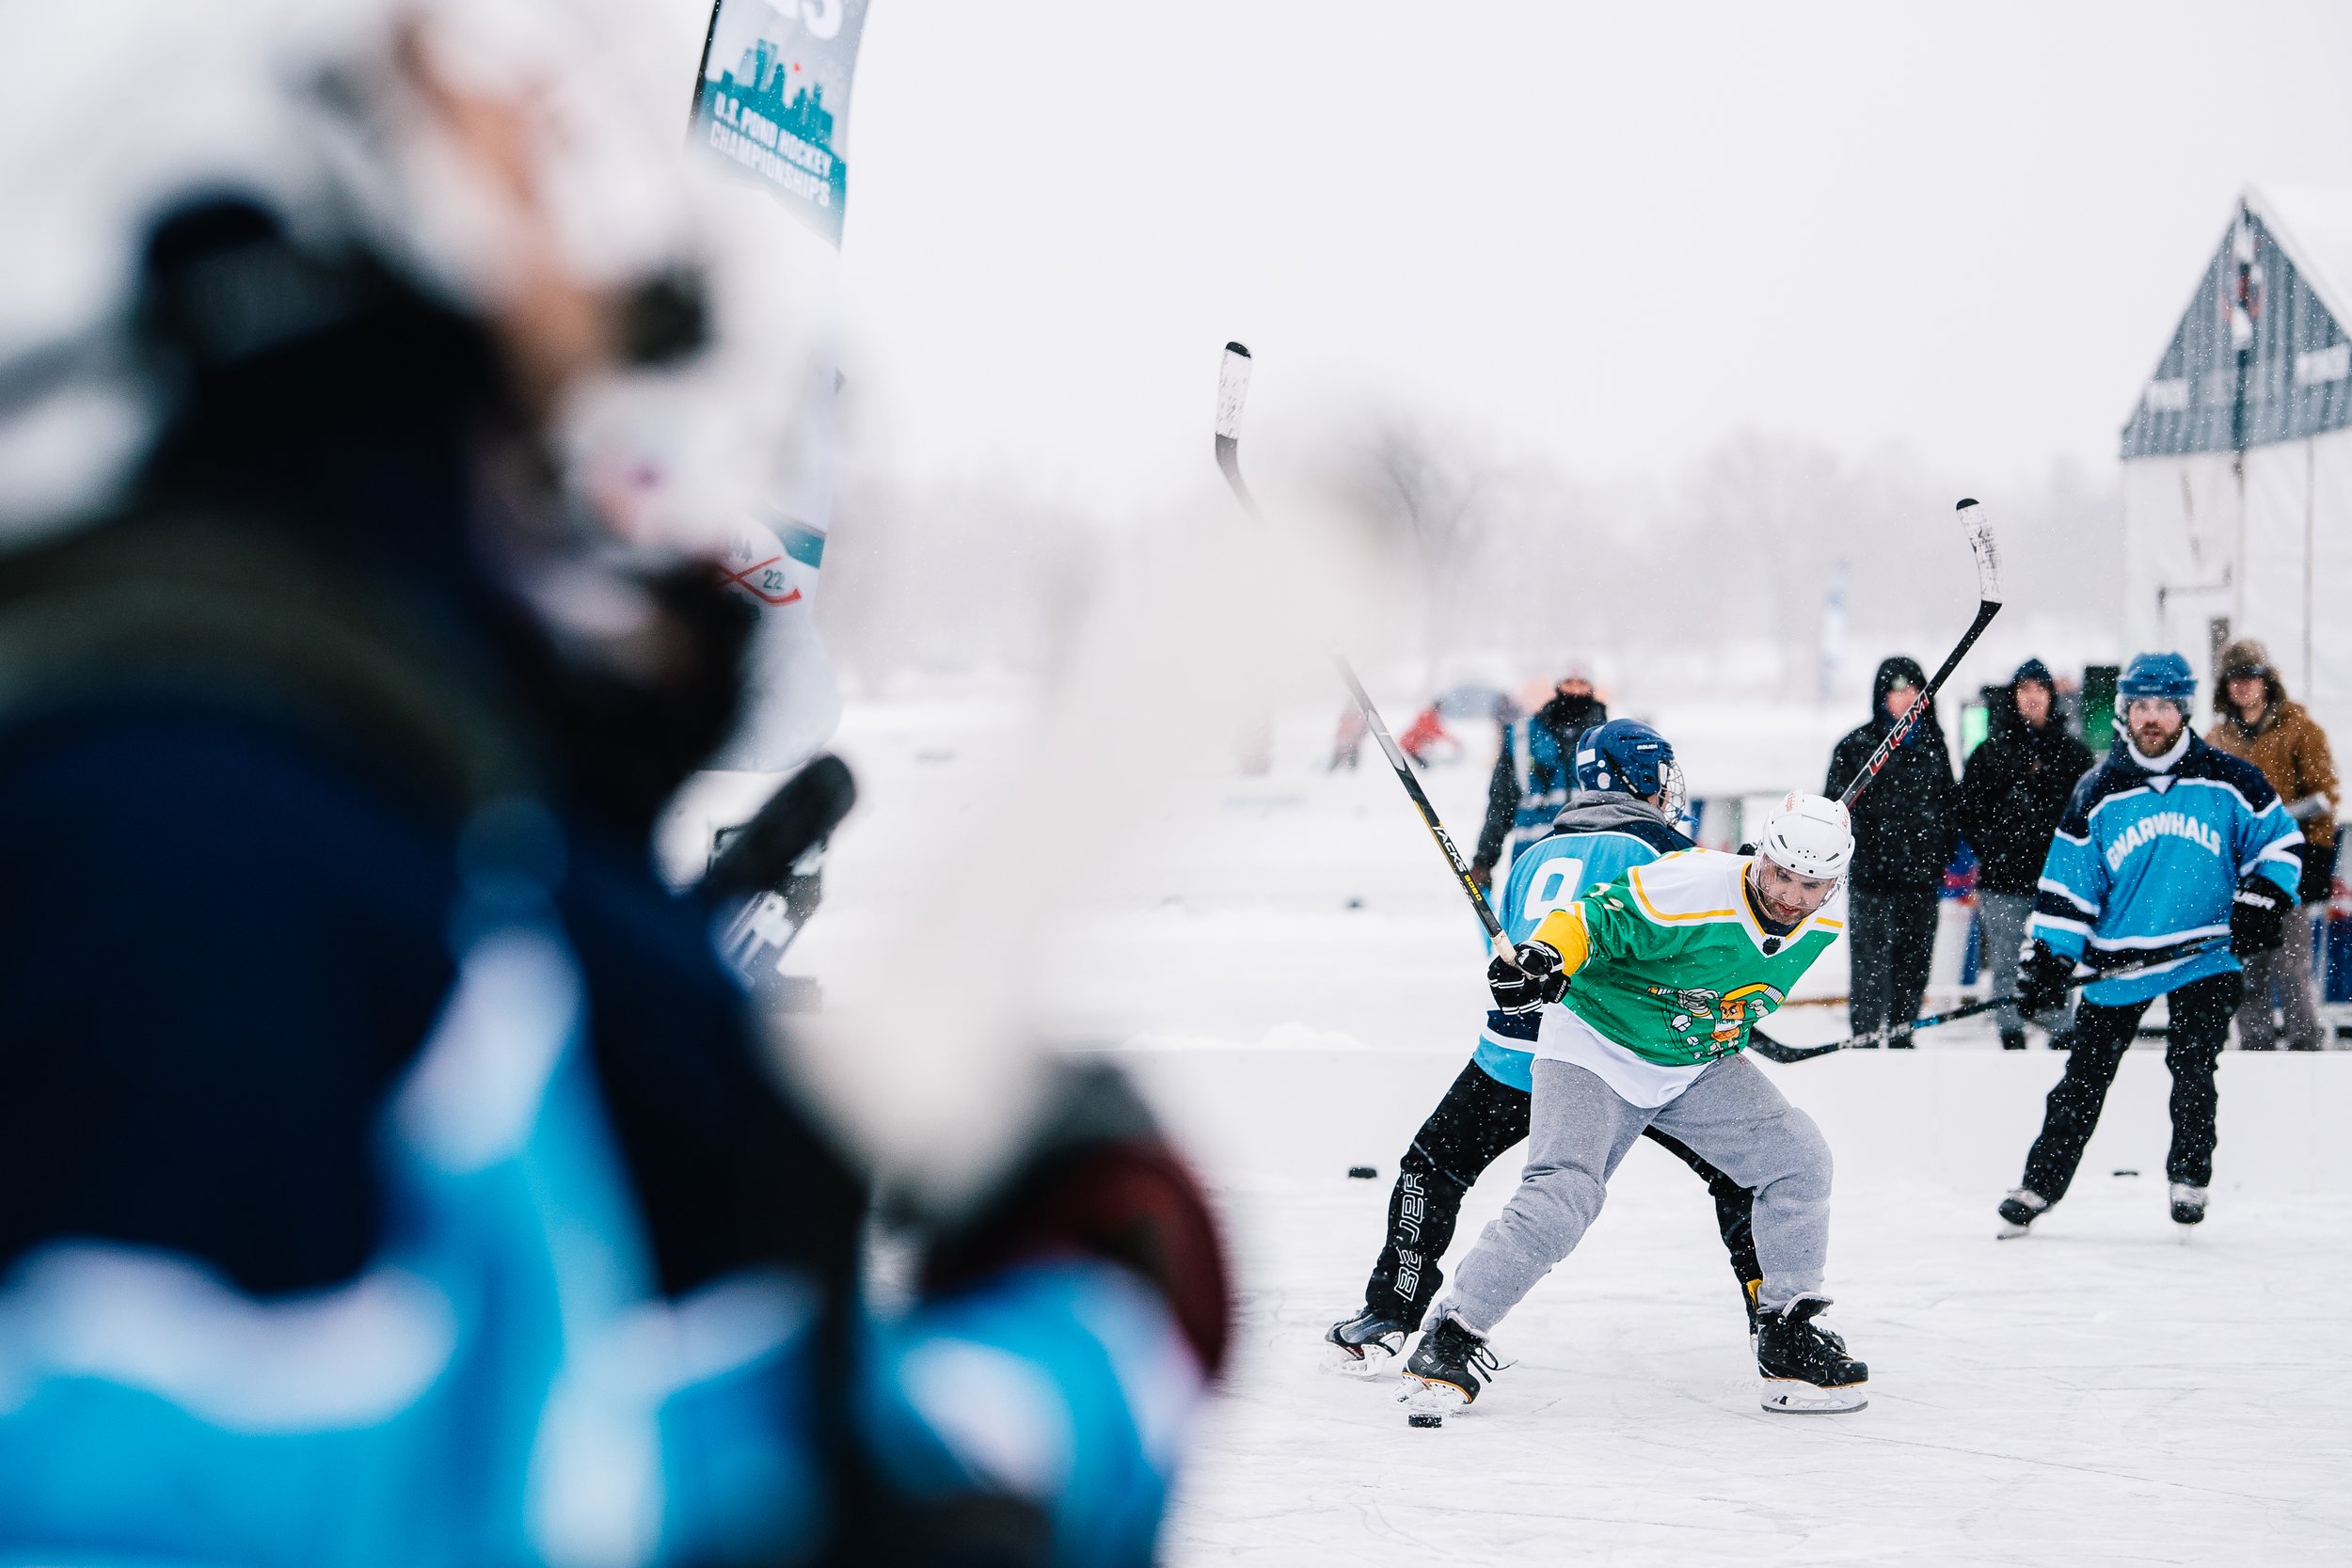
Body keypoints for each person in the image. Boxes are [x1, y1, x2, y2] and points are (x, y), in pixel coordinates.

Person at [0, 19, 1225, 1563]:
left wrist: (1066, 1357)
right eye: (498, 150)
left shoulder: (349, 806)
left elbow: (595, 1436)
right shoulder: (192, 852)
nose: (581, 240)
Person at [1397, 793, 1869, 1422]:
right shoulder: (1693, 882)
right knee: (1564, 1194)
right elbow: (1593, 918)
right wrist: (1544, 957)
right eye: (1780, 873)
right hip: (1596, 1043)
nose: (1790, 896)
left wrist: (1730, 1024)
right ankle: (1450, 1337)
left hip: (1690, 1062)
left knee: (1798, 1159)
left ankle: (1786, 1334)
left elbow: (1734, 984)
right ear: (1761, 855)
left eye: (1811, 884)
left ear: (1834, 881)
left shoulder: (1824, 922)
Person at [1324, 721, 1763, 1371]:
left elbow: (1505, 968)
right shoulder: (1669, 854)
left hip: (1511, 1055)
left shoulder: (1531, 853)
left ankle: (1390, 1311)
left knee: (1431, 1166)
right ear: (1643, 779)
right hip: (1624, 1058)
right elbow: (1701, 953)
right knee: (1744, 1171)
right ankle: (1772, 1313)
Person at [1996, 653, 2304, 1237]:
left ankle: (2189, 1178)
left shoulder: (2229, 779)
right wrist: (2051, 958)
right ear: (2125, 711)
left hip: (2204, 956)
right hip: (2119, 961)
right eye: (2141, 706)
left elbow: (2280, 842)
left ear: (2183, 709)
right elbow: (2069, 886)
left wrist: (2263, 895)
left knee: (2193, 1068)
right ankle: (2039, 1186)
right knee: (2083, 1078)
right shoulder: (2098, 791)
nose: (2152, 718)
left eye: (2164, 706)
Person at [2206, 638, 2340, 1051]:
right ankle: (2255, 1050)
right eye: (2235, 678)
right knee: (2247, 968)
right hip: (2240, 874)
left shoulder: (2300, 730)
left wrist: (2313, 860)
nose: (2243, 686)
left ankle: (2306, 1049)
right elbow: (2208, 807)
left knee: (2292, 967)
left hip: (2287, 871)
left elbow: (2324, 798)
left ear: (2267, 681)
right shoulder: (2216, 740)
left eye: (2251, 677)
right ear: (2225, 686)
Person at [1959, 658, 2096, 1050]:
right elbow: (1968, 810)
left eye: (2040, 689)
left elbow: (2088, 814)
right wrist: (1993, 851)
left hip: (2058, 881)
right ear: (2013, 696)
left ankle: (2059, 1027)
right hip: (2003, 880)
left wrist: (2072, 860)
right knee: (2004, 962)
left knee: (2059, 954)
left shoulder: (2073, 754)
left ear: (2052, 696)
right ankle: (2010, 1028)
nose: (2032, 698)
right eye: (2025, 690)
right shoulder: (1990, 753)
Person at [1826, 657, 1960, 1045]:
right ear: (1882, 696)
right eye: (1898, 690)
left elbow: (1947, 804)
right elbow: (1836, 811)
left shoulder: (1935, 745)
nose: (1906, 698)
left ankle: (1903, 1034)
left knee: (1914, 963)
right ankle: (1865, 1038)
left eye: (1914, 689)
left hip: (1921, 880)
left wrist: (1941, 853)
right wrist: (1866, 851)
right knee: (1869, 966)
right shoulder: (1856, 747)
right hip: (1873, 880)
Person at [1470, 667, 1607, 892]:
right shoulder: (1522, 736)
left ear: (1592, 688)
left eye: (1582, 683)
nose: (1575, 690)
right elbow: (1500, 803)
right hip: (1533, 860)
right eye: (1569, 682)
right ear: (1558, 685)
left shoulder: (1611, 738)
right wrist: (1484, 861)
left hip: (1593, 861)